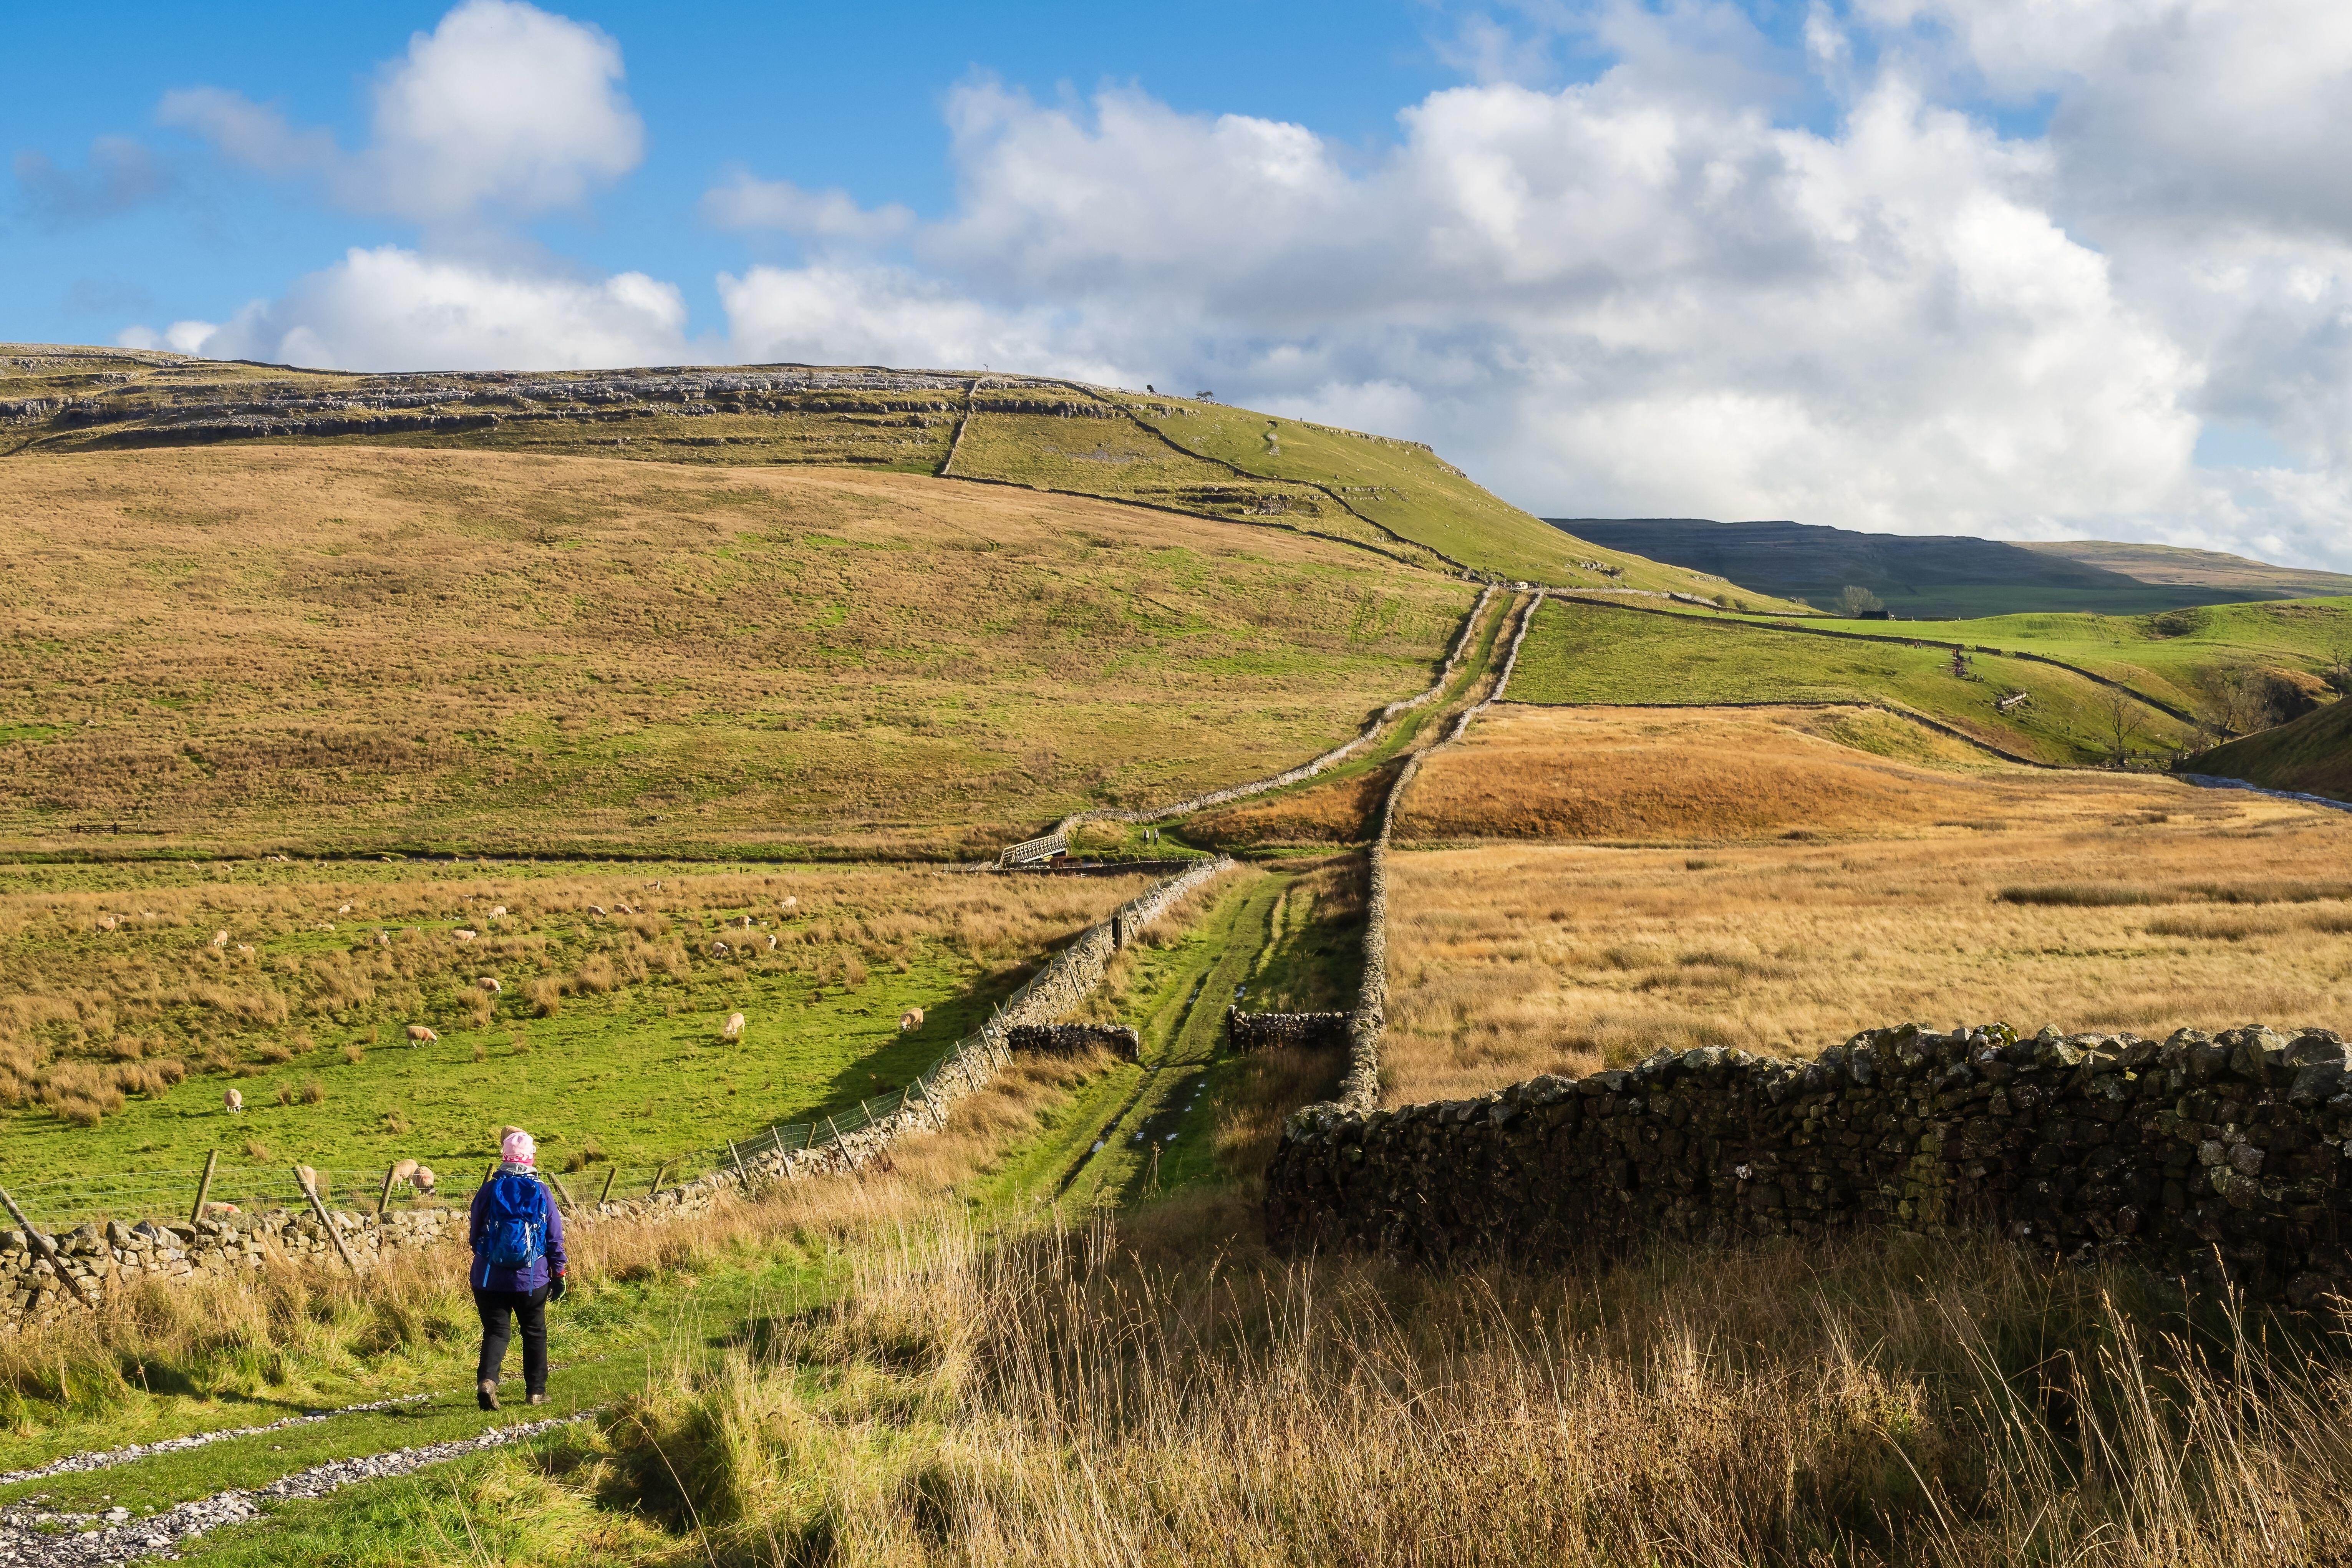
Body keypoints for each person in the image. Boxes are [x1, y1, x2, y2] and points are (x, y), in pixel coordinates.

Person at [469, 1127, 567, 1410]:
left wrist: (485, 1256)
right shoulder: (541, 1191)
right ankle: (536, 1393)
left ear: (504, 1157)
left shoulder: (489, 1189)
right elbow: (554, 1238)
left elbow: (475, 1233)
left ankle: (487, 1382)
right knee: (534, 1331)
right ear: (530, 1159)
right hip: (530, 1279)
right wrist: (558, 1272)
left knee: (496, 1331)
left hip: (488, 1278)